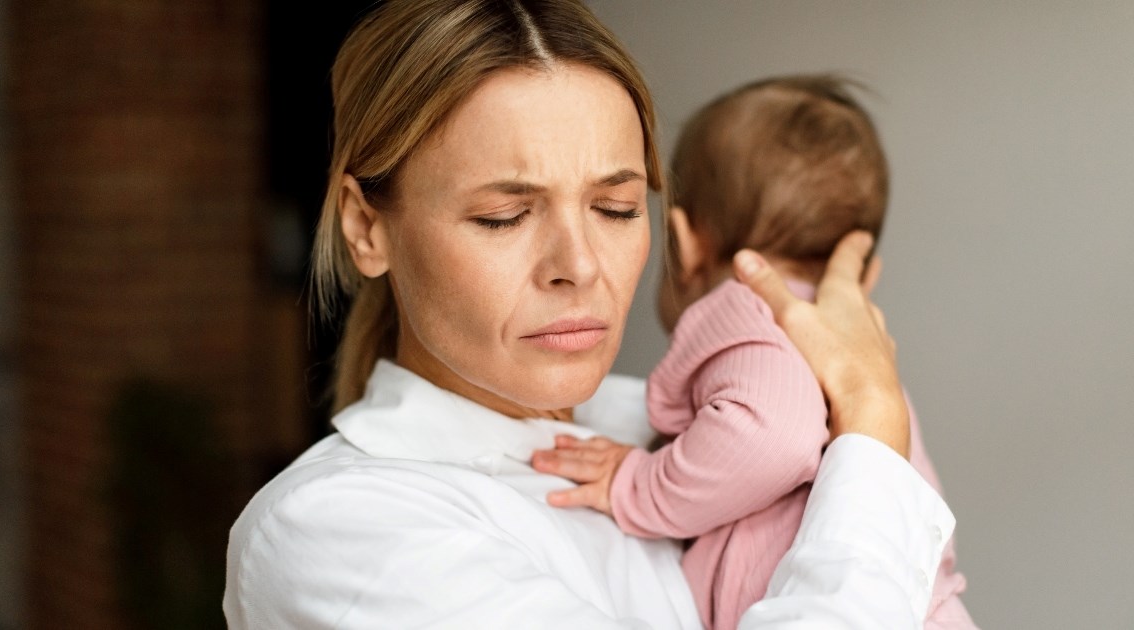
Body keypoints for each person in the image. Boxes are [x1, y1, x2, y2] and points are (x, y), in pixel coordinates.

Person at [223, 1, 954, 628]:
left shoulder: (695, 427)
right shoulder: (337, 529)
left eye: (616, 208)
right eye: (504, 217)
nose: (578, 265)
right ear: (366, 227)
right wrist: (874, 427)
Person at [530, 75, 976, 628]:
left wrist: (638, 483)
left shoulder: (745, 310)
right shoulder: (861, 360)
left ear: (685, 243)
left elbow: (777, 438)